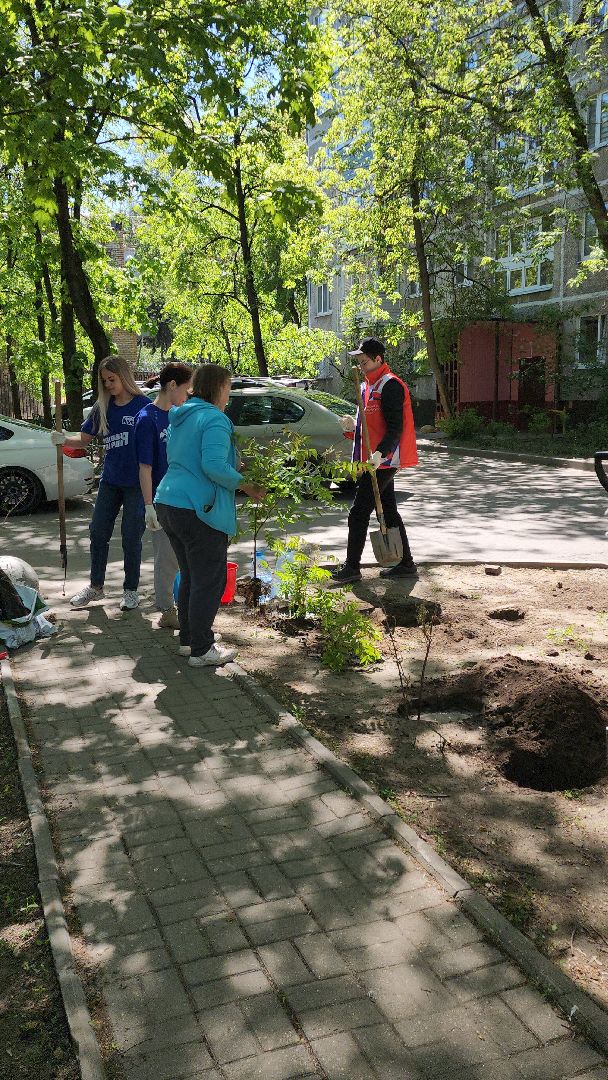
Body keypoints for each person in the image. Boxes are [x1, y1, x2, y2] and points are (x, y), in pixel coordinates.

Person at [155, 364, 265, 668]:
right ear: (218, 387)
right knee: (210, 581)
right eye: (228, 387)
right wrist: (247, 485)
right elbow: (213, 466)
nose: (229, 394)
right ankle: (202, 650)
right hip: (196, 507)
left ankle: (190, 640)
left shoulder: (183, 415)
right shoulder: (214, 418)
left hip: (169, 502)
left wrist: (233, 465)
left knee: (191, 575)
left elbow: (189, 457)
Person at [51, 355, 150, 609]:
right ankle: (96, 587)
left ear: (124, 376)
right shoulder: (102, 407)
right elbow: (83, 439)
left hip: (137, 484)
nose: (108, 385)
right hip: (110, 481)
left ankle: (130, 590)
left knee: (131, 537)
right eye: (104, 381)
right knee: (97, 532)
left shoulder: (143, 406)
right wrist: (62, 439)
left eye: (112, 379)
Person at [331, 337, 418, 584]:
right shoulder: (366, 386)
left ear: (378, 359)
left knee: (358, 512)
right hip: (371, 461)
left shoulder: (391, 386)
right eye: (358, 362)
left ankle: (352, 567)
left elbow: (395, 428)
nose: (360, 367)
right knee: (389, 510)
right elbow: (368, 427)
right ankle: (405, 563)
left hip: (384, 461)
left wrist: (380, 454)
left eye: (364, 362)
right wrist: (351, 427)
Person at [134, 361, 193, 629]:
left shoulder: (180, 415)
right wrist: (149, 506)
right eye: (185, 389)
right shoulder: (147, 419)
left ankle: (182, 604)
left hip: (184, 498)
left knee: (184, 557)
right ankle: (167, 610)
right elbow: (145, 468)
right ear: (171, 386)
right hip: (161, 500)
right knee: (166, 558)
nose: (187, 395)